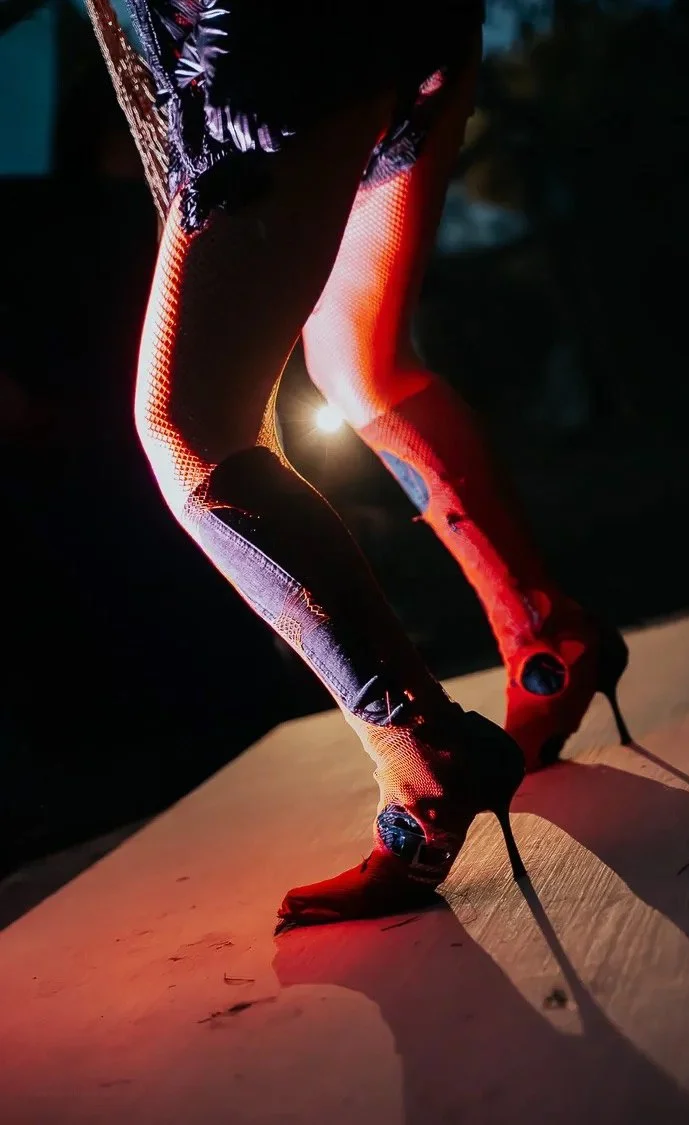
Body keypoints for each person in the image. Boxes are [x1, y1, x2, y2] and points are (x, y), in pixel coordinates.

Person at [88, 0, 630, 931]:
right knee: (361, 367)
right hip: (395, 26)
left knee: (188, 430)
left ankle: (428, 771)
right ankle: (547, 640)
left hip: (266, 47)